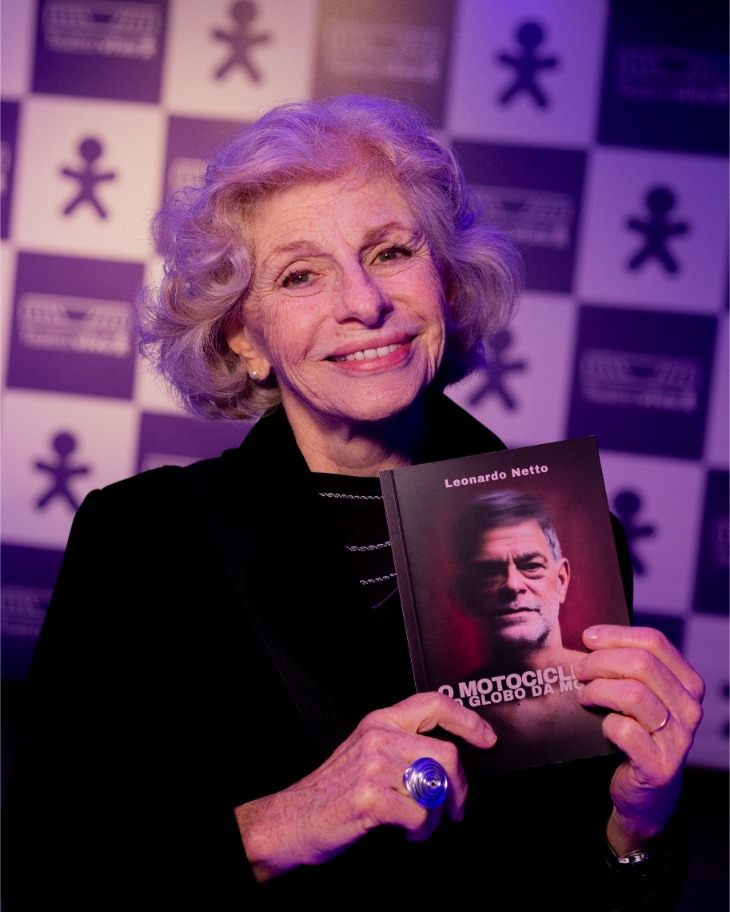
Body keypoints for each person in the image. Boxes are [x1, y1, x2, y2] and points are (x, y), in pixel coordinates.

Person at [2, 94, 704, 910]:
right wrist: (280, 825)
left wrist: (637, 827)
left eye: (391, 252)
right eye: (301, 274)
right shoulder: (140, 542)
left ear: (445, 283)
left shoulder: (572, 534)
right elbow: (45, 873)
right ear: (244, 337)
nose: (363, 303)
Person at [449, 489, 617, 770]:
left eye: (531, 566)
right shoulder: (449, 711)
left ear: (561, 581)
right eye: (489, 572)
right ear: (467, 593)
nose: (513, 584)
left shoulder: (613, 688)